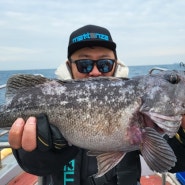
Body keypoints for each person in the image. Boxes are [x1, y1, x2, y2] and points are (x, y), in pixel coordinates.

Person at [8, 25, 185, 185]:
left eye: (104, 64)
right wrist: (39, 152)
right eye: (84, 65)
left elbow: (175, 163)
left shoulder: (151, 111)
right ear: (70, 66)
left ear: (116, 64)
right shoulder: (45, 96)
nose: (94, 72)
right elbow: (34, 167)